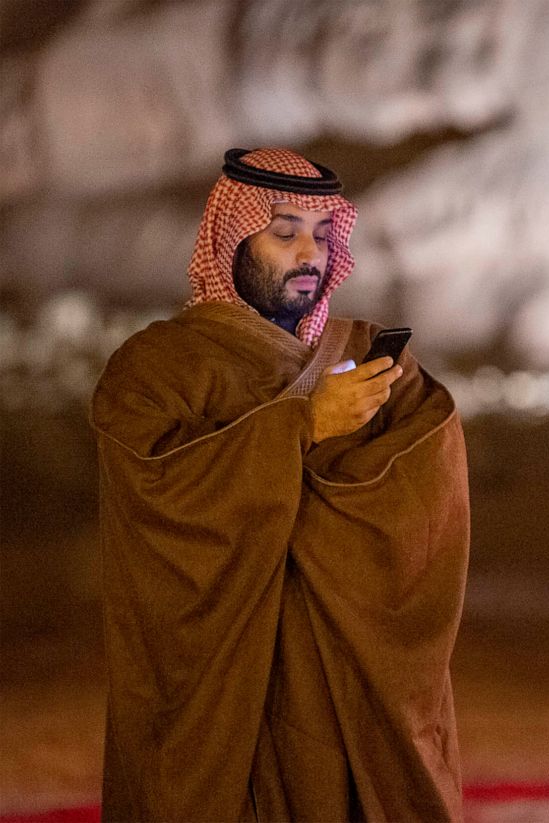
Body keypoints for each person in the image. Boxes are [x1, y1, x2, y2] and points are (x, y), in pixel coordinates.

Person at [90, 148, 470, 821]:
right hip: (224, 711)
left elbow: (422, 504)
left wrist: (292, 491)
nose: (310, 254)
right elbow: (161, 506)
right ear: (232, 239)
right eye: (284, 231)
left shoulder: (380, 360)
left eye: (323, 235)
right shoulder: (155, 370)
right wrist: (305, 427)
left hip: (342, 707)